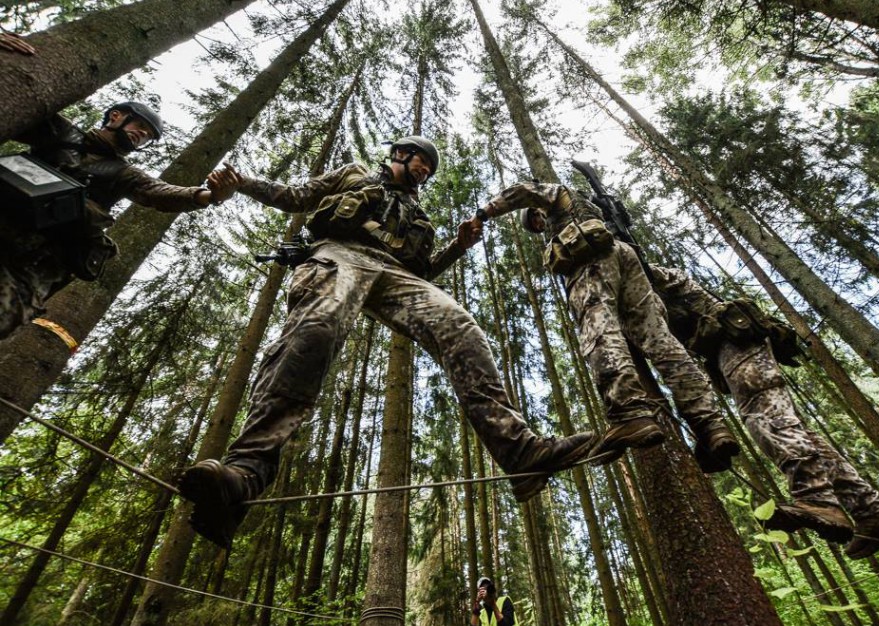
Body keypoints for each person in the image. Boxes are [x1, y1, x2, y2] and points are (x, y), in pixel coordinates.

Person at [179, 137, 597, 548]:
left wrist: (459, 246)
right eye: (421, 163)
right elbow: (294, 195)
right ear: (400, 154)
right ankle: (246, 471)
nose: (424, 172)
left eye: (429, 170)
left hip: (398, 275)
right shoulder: (354, 175)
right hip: (339, 253)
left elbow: (425, 270)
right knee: (317, 329)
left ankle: (520, 453)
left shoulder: (416, 212)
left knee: (461, 327)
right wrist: (242, 184)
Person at [644, 264, 879, 558]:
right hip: (729, 351)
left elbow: (651, 277)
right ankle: (874, 513)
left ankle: (818, 499)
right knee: (792, 429)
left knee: (766, 419)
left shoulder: (655, 273)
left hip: (735, 341)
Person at [477, 182, 738, 468]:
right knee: (661, 341)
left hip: (592, 261)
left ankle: (629, 412)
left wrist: (485, 212)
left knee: (599, 329)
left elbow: (522, 190)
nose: (540, 224)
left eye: (537, 218)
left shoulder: (557, 195)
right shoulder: (588, 206)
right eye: (536, 226)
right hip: (626, 259)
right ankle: (711, 425)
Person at [0, 100, 234, 341]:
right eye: (140, 125)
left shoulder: (124, 173)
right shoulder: (61, 133)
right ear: (115, 116)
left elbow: (157, 192)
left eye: (148, 136)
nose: (142, 135)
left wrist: (209, 196)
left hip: (28, 267)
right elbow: (16, 105)